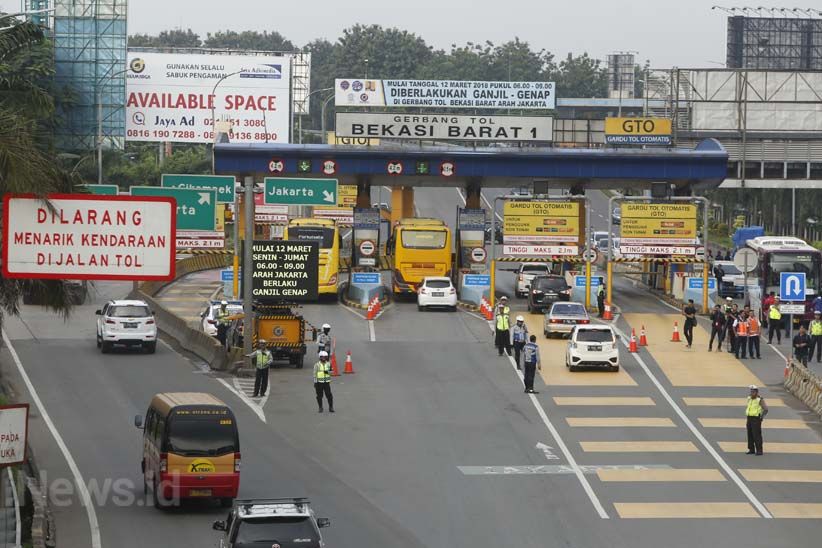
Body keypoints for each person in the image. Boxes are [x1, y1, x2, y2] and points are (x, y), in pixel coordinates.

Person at [745, 385, 768, 455]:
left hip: (756, 419)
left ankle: (759, 450)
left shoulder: (760, 399)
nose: (752, 393)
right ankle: (751, 449)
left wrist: (761, 417)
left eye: (753, 392)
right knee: (750, 434)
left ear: (756, 392)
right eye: (751, 391)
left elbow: (766, 409)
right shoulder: (749, 398)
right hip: (749, 418)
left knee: (756, 435)